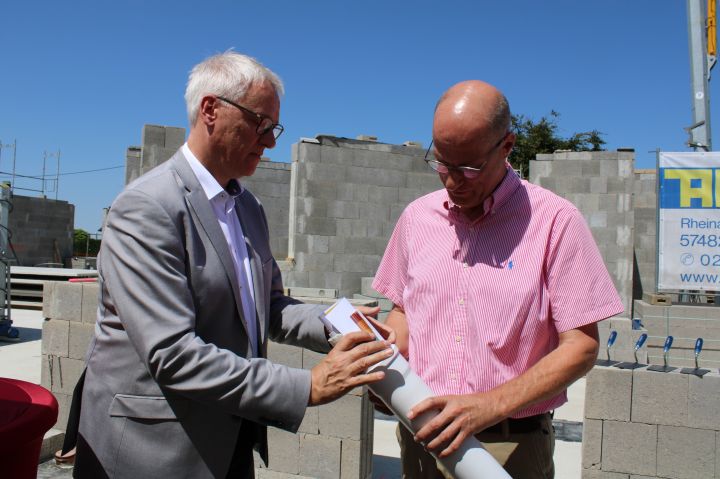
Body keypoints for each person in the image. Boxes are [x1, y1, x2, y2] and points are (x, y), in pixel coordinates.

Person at [73, 51, 394, 479]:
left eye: (274, 128)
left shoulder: (248, 208)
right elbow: (171, 352)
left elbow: (269, 305)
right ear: (211, 110)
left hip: (230, 444)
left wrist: (339, 324)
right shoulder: (148, 208)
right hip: (154, 453)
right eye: (261, 124)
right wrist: (307, 386)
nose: (271, 141)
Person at [372, 80, 624, 478]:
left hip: (509, 445)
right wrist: (387, 362)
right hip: (420, 434)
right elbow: (403, 310)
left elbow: (582, 347)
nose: (453, 181)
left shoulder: (555, 223)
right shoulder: (417, 219)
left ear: (507, 147)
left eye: (469, 167)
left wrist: (488, 405)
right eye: (442, 163)